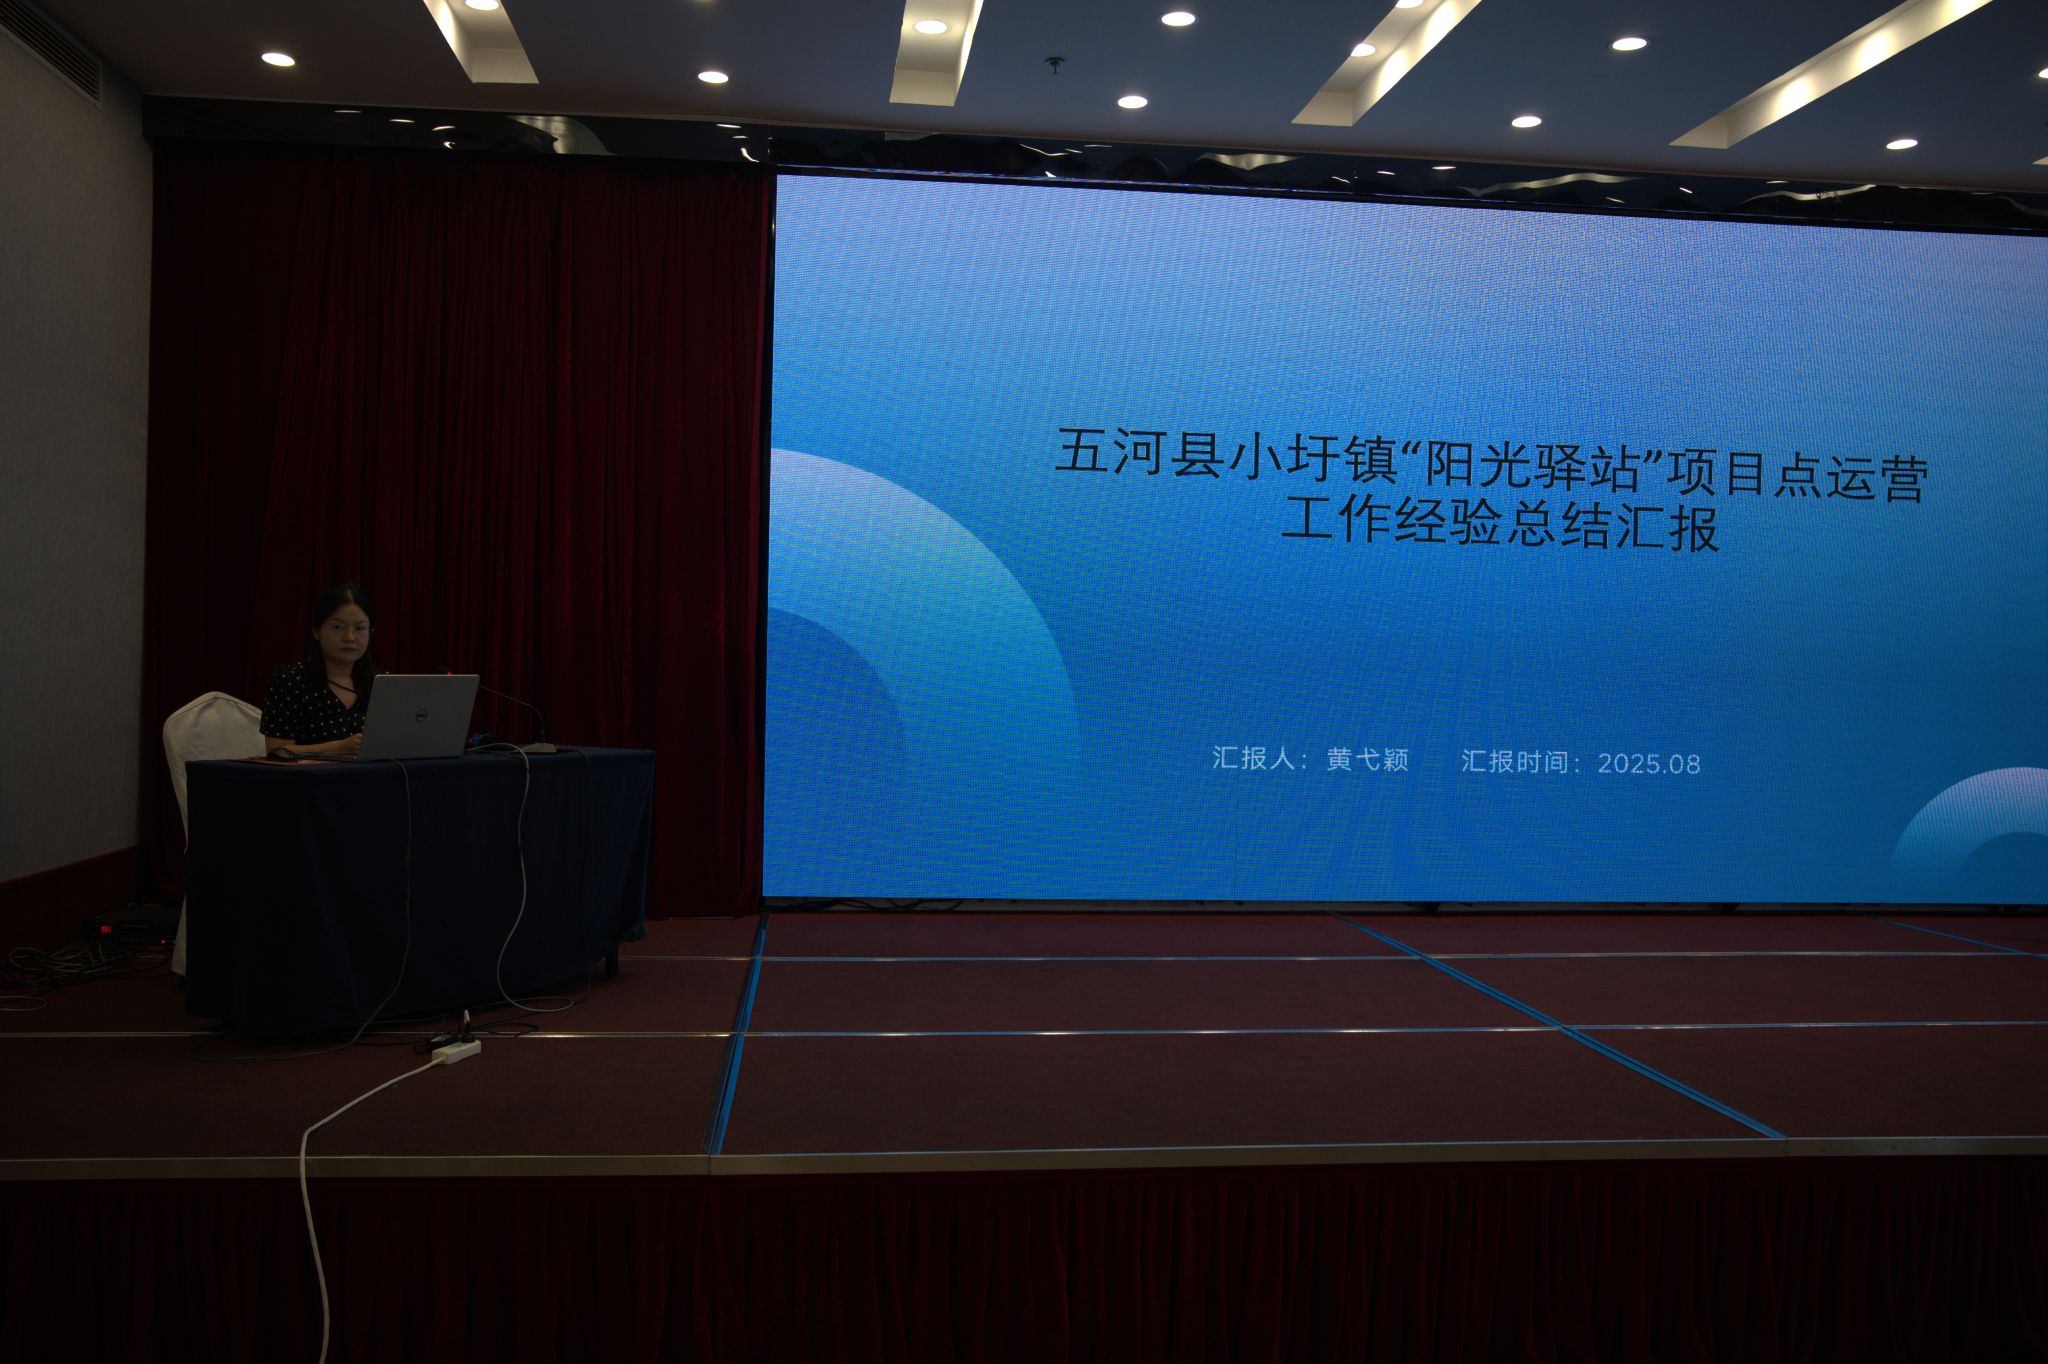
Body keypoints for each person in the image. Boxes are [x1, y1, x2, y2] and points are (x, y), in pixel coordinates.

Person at [259, 583, 383, 756]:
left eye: (360, 628)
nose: (349, 637)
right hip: (309, 773)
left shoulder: (382, 683)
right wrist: (338, 747)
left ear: (370, 633)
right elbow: (276, 751)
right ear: (316, 631)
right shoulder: (290, 680)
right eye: (338, 627)